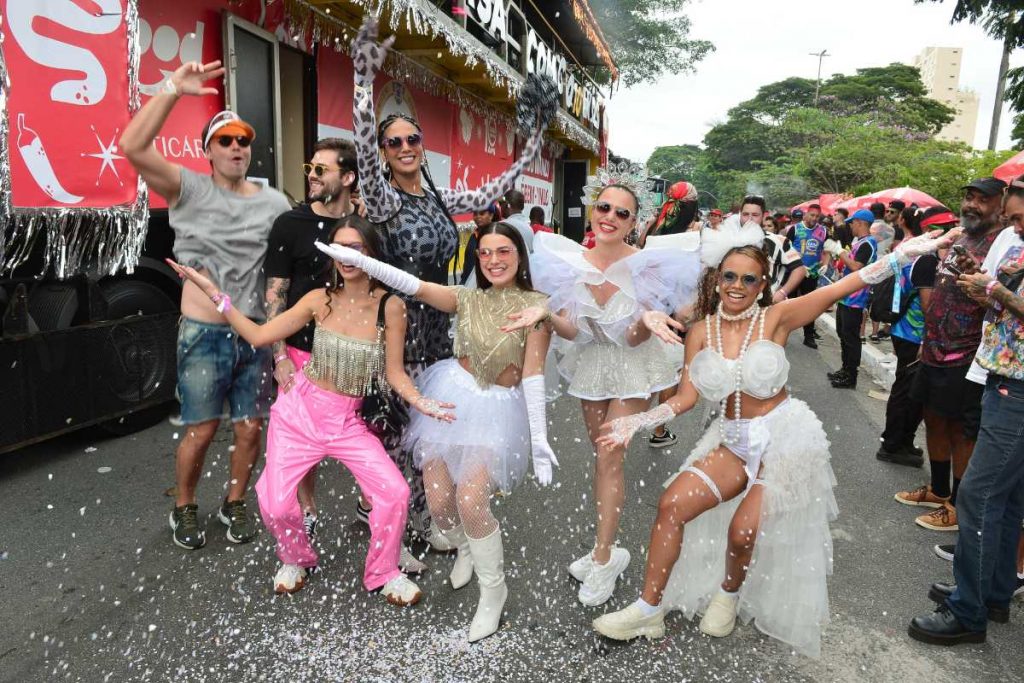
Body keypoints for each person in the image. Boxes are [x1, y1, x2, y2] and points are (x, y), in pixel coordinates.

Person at [588, 223, 952, 656]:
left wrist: (903, 256)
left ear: (763, 285)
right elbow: (686, 397)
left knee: (743, 531)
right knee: (672, 506)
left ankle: (728, 592)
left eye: (748, 279)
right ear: (716, 279)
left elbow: (845, 286)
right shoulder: (702, 330)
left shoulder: (777, 317)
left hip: (784, 437)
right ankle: (648, 609)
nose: (737, 286)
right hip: (732, 439)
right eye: (729, 276)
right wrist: (639, 421)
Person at [166, 216, 451, 603]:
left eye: (356, 248)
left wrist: (420, 401)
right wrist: (216, 293)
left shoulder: (391, 306)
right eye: (339, 248)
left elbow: (396, 373)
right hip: (299, 412)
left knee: (394, 493)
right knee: (274, 502)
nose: (346, 257)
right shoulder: (319, 299)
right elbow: (259, 334)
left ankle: (383, 571)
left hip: (348, 420)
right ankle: (295, 556)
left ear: (372, 254)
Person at [349, 19, 550, 546]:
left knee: (434, 429)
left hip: (441, 321)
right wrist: (361, 82)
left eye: (412, 138)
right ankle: (396, 527)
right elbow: (364, 154)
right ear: (386, 154)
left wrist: (529, 151)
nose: (404, 147)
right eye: (394, 143)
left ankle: (433, 516)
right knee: (399, 424)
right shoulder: (384, 195)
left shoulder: (437, 196)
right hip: (400, 324)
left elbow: (494, 190)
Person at [317, 221, 556, 642]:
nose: (494, 260)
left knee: (471, 500)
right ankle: (464, 548)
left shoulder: (537, 308)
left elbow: (534, 375)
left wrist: (539, 439)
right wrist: (362, 260)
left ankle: (493, 591)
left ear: (520, 256)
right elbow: (413, 285)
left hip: (496, 409)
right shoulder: (466, 297)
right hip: (451, 397)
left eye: (504, 251)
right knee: (442, 506)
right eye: (485, 252)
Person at [119, 61, 291, 550]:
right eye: (225, 141)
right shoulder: (188, 188)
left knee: (251, 429)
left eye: (243, 140)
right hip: (203, 333)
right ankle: (185, 507)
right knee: (201, 430)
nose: (237, 147)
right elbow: (132, 147)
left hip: (254, 332)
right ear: (208, 152)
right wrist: (173, 88)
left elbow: (288, 265)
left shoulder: (274, 201)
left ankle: (234, 501)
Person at [506, 180, 702, 608]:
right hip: (593, 365)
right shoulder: (567, 262)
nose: (610, 217)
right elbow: (575, 331)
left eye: (622, 213)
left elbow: (632, 341)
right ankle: (608, 549)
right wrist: (546, 315)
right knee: (601, 455)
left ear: (634, 223)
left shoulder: (646, 266)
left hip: (633, 366)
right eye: (604, 207)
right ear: (593, 209)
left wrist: (647, 320)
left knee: (612, 454)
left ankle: (602, 556)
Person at [908, 177, 1024, 645]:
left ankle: (967, 610)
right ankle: (992, 592)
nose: (1015, 228)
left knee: (977, 495)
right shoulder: (1014, 245)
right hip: (1000, 377)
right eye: (1013, 219)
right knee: (1009, 497)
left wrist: (994, 291)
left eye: (1018, 218)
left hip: (1017, 390)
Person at [894, 178, 1007, 533]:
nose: (972, 205)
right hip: (934, 348)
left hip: (966, 354)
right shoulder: (961, 236)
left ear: (1001, 205)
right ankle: (938, 488)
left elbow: (998, 299)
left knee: (961, 428)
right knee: (933, 417)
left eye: (982, 200)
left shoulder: (1001, 244)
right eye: (969, 197)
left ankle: (957, 505)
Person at [264, 137, 360, 542]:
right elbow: (275, 295)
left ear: (348, 177)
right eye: (310, 168)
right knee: (300, 444)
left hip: (356, 355)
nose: (312, 176)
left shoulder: (361, 226)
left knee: (368, 436)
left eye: (322, 169)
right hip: (303, 354)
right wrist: (279, 356)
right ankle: (307, 511)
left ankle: (375, 513)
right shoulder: (291, 224)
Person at [875, 207, 954, 466]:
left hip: (910, 334)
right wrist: (927, 340)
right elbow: (928, 306)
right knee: (907, 392)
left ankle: (902, 441)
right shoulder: (927, 260)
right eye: (946, 226)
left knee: (911, 391)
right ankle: (893, 445)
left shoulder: (926, 256)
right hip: (914, 336)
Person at [828, 209, 878, 389]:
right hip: (846, 296)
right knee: (843, 334)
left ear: (861, 223)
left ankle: (851, 376)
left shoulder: (868, 244)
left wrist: (840, 252)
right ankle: (844, 369)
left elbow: (857, 267)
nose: (850, 226)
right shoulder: (860, 242)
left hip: (856, 299)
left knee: (851, 338)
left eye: (852, 222)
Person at [789, 203, 829, 348]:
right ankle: (783, 331)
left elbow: (827, 250)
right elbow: (786, 249)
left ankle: (809, 336)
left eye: (817, 216)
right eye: (812, 215)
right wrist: (796, 263)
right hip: (794, 271)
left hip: (812, 274)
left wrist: (825, 264)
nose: (814, 218)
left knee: (810, 305)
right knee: (790, 303)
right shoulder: (795, 229)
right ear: (806, 214)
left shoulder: (823, 231)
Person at [461, 203, 501, 286]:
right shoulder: (473, 235)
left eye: (482, 213)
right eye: (475, 214)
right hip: (468, 284)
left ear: (491, 215)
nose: (478, 217)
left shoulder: (497, 236)